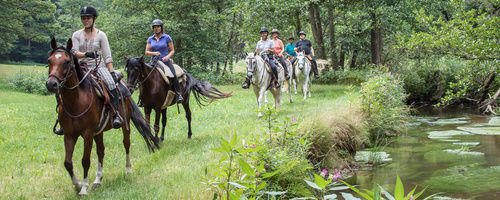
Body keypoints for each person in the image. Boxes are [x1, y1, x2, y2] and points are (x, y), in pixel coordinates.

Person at [54, 5, 122, 135]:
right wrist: (86, 55)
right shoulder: (76, 35)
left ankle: (115, 114)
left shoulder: (101, 35)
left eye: (88, 18)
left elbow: (107, 56)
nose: (86, 20)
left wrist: (112, 72)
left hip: (98, 67)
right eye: (83, 18)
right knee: (62, 86)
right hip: (80, 67)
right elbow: (73, 52)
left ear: (94, 19)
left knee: (112, 84)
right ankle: (62, 120)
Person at [145, 19, 183, 103]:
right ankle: (142, 98)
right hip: (154, 61)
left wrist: (168, 57)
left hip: (165, 60)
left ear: (161, 27)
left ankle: (178, 94)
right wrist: (154, 53)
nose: (156, 28)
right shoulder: (150, 39)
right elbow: (146, 52)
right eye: (154, 27)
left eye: (158, 27)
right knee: (144, 75)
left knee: (173, 74)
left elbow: (172, 50)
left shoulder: (167, 37)